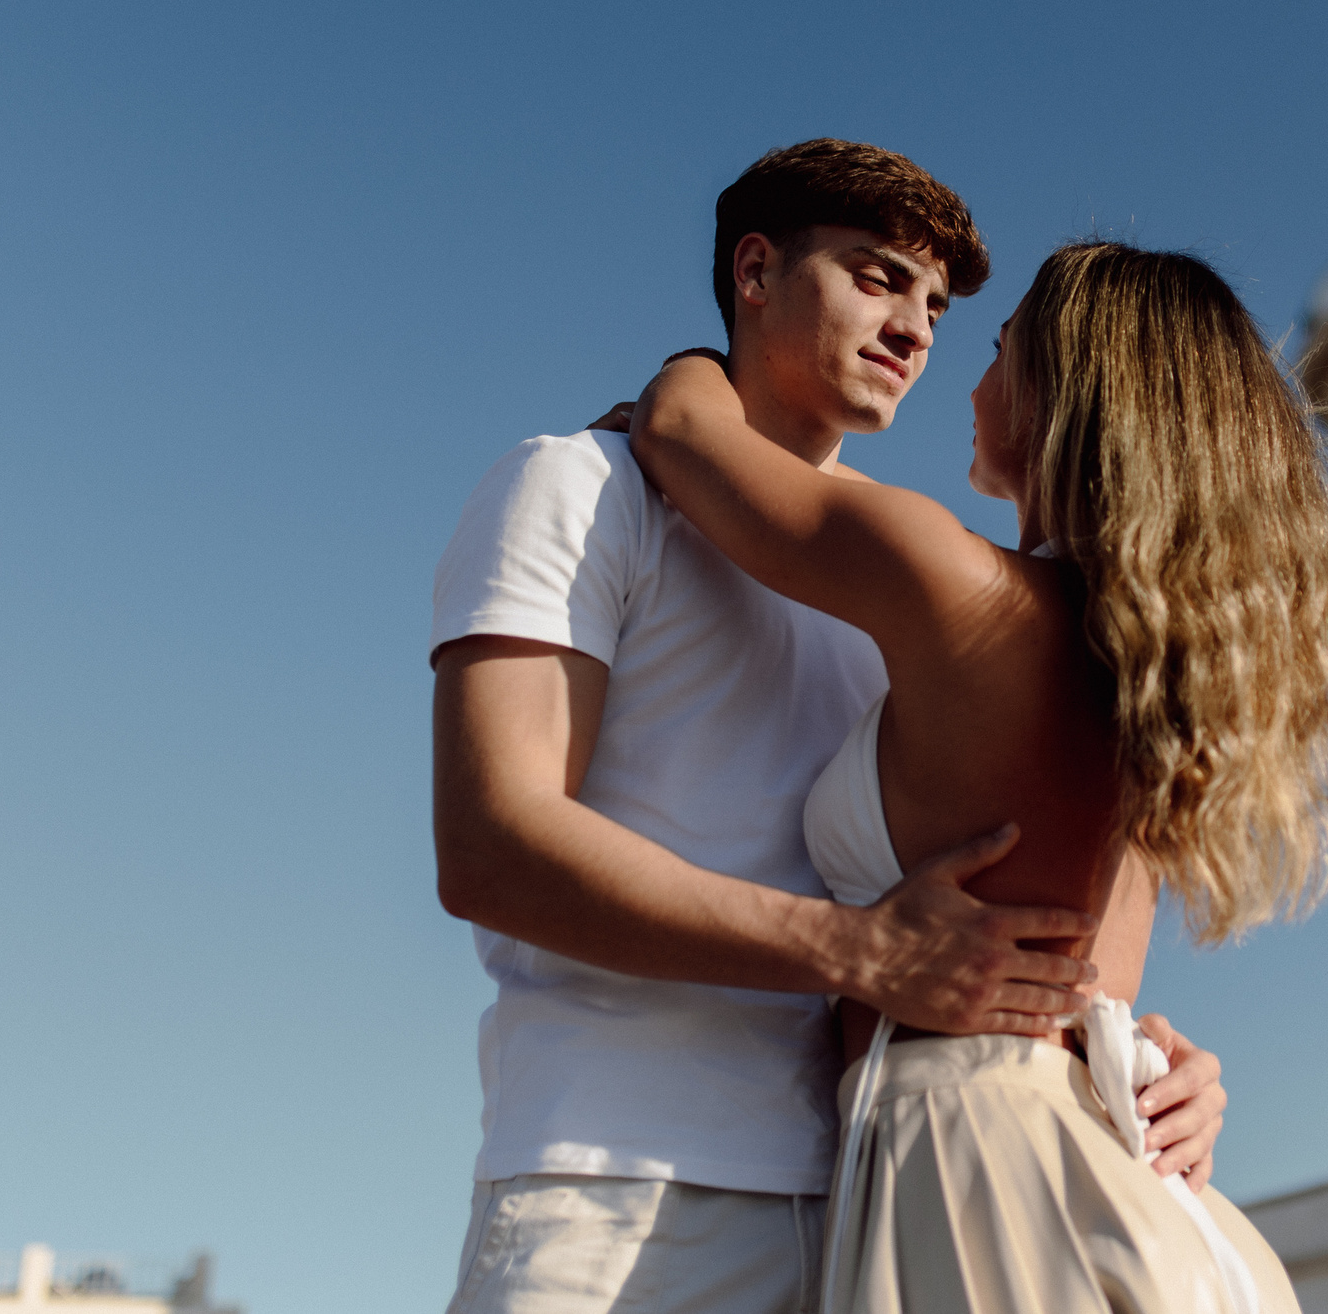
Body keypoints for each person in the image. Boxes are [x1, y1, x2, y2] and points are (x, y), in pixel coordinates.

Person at [429, 142, 1232, 1314]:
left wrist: (1127, 1053)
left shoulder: (930, 582)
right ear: (755, 271)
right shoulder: (578, 486)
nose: (915, 328)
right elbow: (491, 847)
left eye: (940, 308)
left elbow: (1022, 885)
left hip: (890, 1200)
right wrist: (855, 951)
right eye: (876, 277)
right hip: (624, 1184)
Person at [628, 241, 1328, 1314]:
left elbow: (678, 429)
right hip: (1134, 1189)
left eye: (997, 348)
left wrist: (706, 352)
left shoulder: (953, 585)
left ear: (1054, 394)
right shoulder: (1162, 679)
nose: (966, 378)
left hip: (982, 1180)